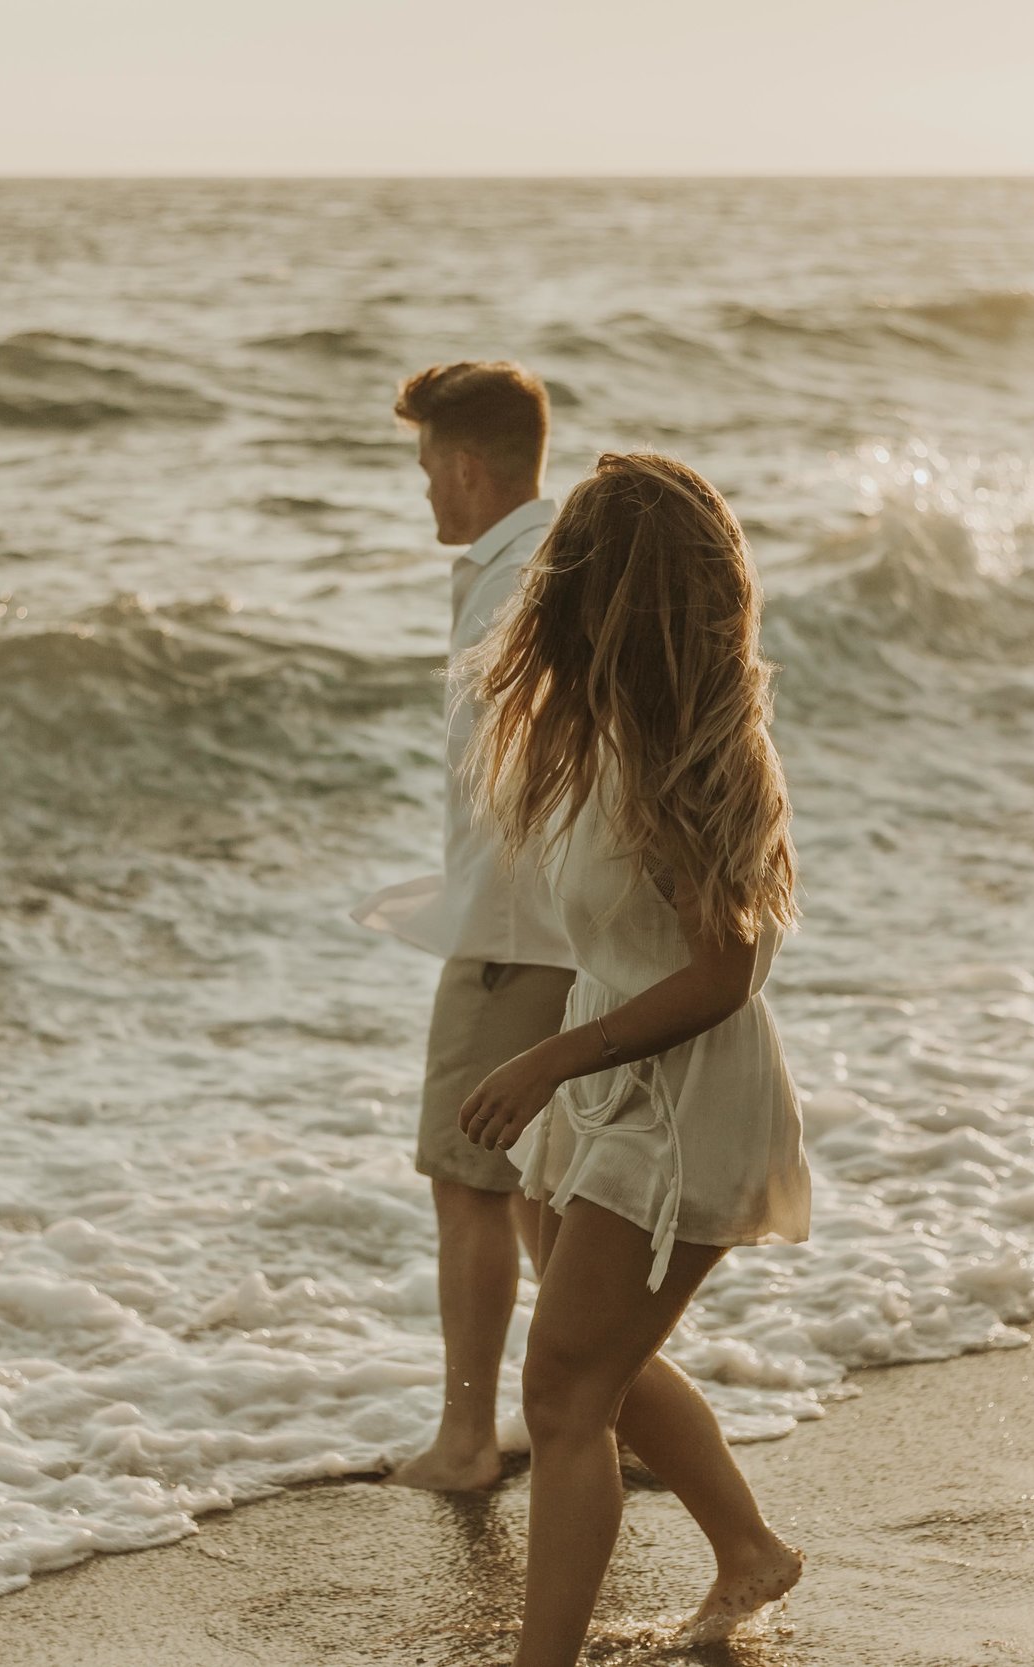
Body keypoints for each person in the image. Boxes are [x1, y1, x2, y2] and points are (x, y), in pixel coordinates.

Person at [455, 452, 811, 1662]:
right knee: (593, 1358)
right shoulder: (601, 731)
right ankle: (750, 1551)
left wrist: (550, 1058)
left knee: (562, 1390)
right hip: (610, 1084)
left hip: (684, 1100)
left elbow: (726, 972)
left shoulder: (691, 758)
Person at [353, 360, 577, 1492]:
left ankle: (465, 1438)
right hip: (559, 922)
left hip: (513, 927)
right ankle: (581, 1407)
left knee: (469, 1177)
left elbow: (537, 765)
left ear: (466, 466)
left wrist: (487, 908)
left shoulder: (509, 579)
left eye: (428, 469)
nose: (425, 493)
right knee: (550, 1187)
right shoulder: (564, 556)